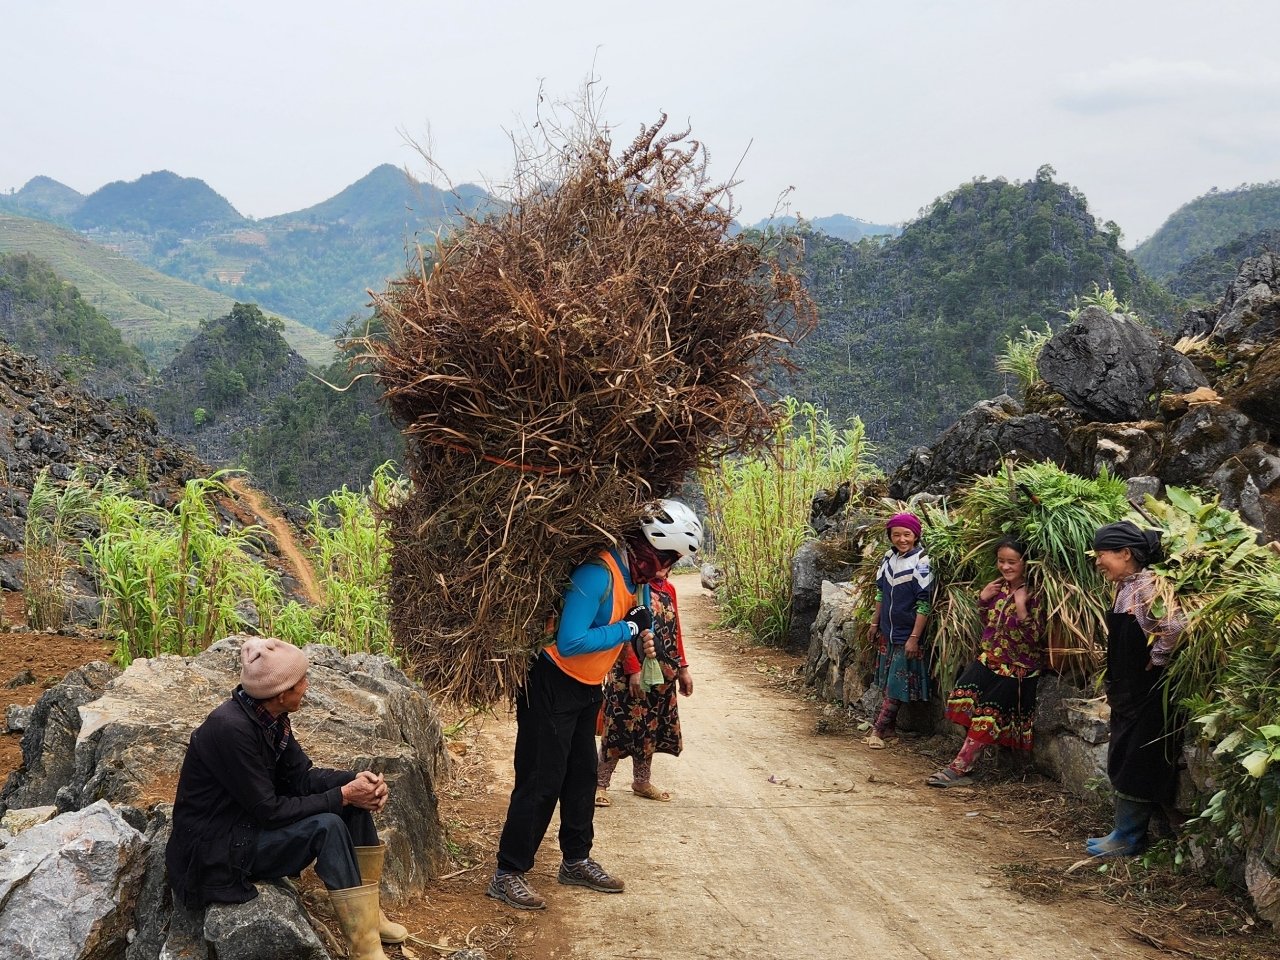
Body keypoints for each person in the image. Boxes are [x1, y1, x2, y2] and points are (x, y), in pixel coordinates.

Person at [486, 499, 701, 911]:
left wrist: (638, 638)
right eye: (665, 559)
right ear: (648, 545)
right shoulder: (597, 573)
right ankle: (508, 872)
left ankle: (576, 860)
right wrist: (627, 628)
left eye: (670, 563)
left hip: (586, 687)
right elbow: (571, 641)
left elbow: (633, 622)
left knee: (582, 776)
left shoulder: (635, 576)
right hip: (551, 682)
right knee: (540, 779)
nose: (664, 571)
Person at [165, 637, 404, 960]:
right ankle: (364, 946)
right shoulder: (231, 730)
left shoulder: (269, 719)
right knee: (328, 824)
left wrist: (354, 783)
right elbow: (269, 811)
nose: (306, 685)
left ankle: (370, 916)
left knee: (352, 806)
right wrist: (342, 796)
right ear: (282, 693)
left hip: (246, 828)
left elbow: (302, 778)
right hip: (218, 853)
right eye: (302, 681)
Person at [1087, 520, 1187, 858]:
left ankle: (1129, 837)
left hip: (1148, 693)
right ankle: (1121, 830)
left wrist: (1157, 657)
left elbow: (1175, 625)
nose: (1099, 562)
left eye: (1103, 555)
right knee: (1124, 754)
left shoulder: (1146, 586)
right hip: (1128, 691)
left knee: (1138, 759)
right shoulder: (1126, 585)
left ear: (1126, 553)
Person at [928, 539, 1045, 787]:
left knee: (987, 715)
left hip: (1017, 668)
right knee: (961, 696)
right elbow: (988, 623)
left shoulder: (1037, 594)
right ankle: (989, 749)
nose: (1005, 567)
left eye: (1012, 562)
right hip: (989, 658)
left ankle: (961, 767)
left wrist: (1022, 608)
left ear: (1026, 563)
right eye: (1001, 561)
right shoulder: (998, 588)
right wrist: (983, 599)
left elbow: (1036, 638)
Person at [595, 536, 697, 806]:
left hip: (663, 671)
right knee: (618, 724)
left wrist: (683, 669)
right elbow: (624, 632)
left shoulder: (669, 590)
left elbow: (675, 632)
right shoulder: (635, 588)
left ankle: (641, 781)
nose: (665, 565)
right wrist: (633, 669)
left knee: (651, 724)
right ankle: (599, 784)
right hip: (629, 671)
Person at [864, 512, 934, 749]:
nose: (902, 539)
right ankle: (891, 730)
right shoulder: (888, 559)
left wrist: (914, 637)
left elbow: (924, 604)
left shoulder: (922, 562)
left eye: (907, 534)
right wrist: (875, 624)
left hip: (907, 634)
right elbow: (880, 594)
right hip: (888, 632)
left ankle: (878, 730)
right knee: (887, 682)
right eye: (896, 535)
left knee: (894, 685)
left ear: (916, 536)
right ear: (890, 536)